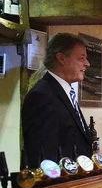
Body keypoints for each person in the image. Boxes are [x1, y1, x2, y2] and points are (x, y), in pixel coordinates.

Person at [22, 33, 92, 168]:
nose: (87, 64)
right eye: (81, 58)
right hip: (60, 179)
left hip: (78, 176)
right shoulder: (42, 96)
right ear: (61, 58)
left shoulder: (65, 92)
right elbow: (43, 154)